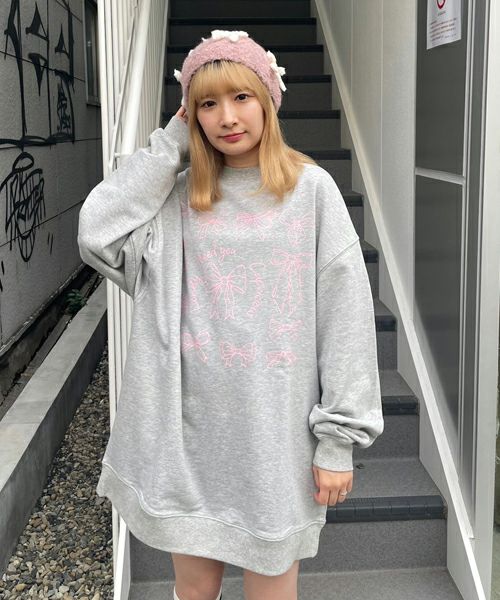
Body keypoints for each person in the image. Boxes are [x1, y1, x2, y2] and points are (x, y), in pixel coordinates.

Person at [77, 30, 384, 600]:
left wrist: (338, 439)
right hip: (185, 440)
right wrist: (171, 146)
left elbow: (345, 320)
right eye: (207, 104)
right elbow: (97, 233)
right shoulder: (175, 200)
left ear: (267, 100)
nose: (227, 117)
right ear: (190, 116)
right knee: (194, 592)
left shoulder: (311, 192)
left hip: (275, 441)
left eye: (242, 97)